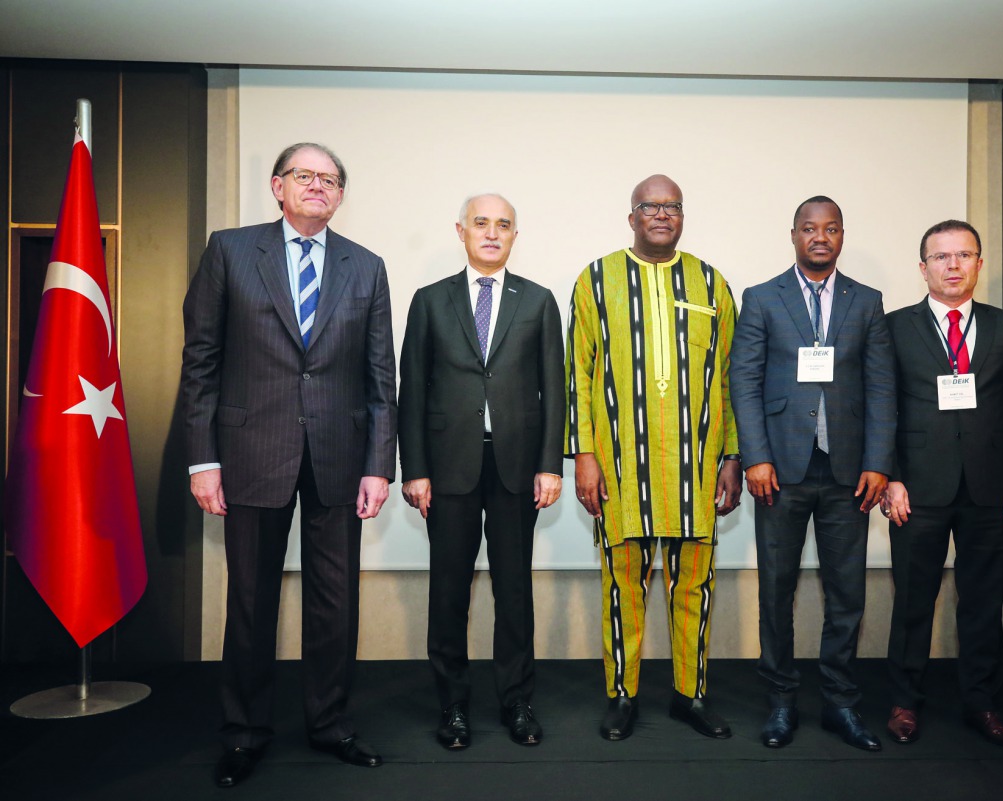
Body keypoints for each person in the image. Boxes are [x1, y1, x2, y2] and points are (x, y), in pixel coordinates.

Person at [181, 142, 397, 787]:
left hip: (339, 456)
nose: (318, 187)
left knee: (336, 604)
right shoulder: (231, 250)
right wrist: (203, 460)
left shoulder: (368, 266)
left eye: (330, 180)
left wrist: (378, 464)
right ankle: (244, 733)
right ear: (278, 186)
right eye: (305, 176)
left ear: (340, 195)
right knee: (250, 599)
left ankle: (330, 725)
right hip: (249, 453)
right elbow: (202, 361)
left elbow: (380, 377)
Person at [565, 174, 742, 741]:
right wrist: (584, 454)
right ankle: (623, 695)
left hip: (695, 466)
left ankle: (691, 695)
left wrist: (733, 455)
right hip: (622, 467)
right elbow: (580, 374)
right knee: (623, 586)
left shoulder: (711, 283)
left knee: (694, 588)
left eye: (672, 206)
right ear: (632, 216)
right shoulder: (596, 279)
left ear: (683, 216)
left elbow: (731, 378)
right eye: (650, 206)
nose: (662, 215)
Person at [398, 193, 565, 749]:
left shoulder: (538, 301)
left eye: (504, 225)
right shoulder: (429, 300)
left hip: (517, 468)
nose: (492, 233)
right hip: (448, 470)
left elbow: (554, 390)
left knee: (515, 593)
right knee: (449, 593)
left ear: (515, 235)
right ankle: (453, 707)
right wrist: (414, 469)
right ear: (461, 231)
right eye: (481, 223)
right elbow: (412, 392)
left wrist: (550, 465)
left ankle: (517, 703)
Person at [729, 195, 895, 751]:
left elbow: (880, 387)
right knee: (777, 590)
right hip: (780, 469)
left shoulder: (866, 301)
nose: (819, 237)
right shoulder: (761, 298)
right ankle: (780, 701)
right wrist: (755, 456)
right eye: (809, 228)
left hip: (849, 472)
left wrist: (877, 461)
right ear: (793, 235)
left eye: (830, 229)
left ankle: (841, 704)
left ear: (842, 235)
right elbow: (744, 382)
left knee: (846, 591)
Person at [881, 220, 1003, 749]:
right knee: (913, 602)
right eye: (941, 257)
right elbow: (884, 407)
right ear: (922, 267)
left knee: (981, 601)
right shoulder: (893, 327)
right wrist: (891, 477)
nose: (953, 265)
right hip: (917, 489)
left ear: (979, 263)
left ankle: (982, 702)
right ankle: (905, 701)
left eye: (964, 255)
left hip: (990, 488)